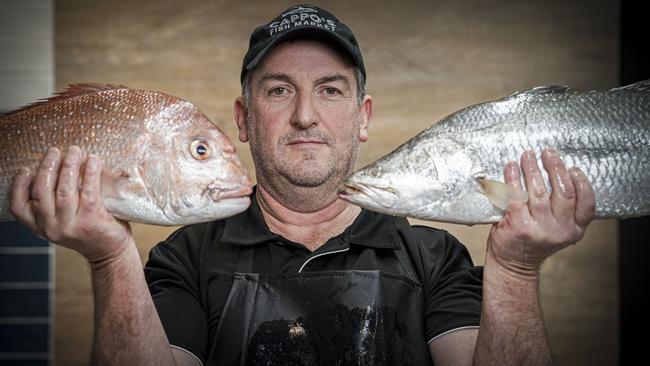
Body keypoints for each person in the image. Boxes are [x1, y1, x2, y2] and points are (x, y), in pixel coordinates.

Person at [9, 4, 596, 366]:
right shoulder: (183, 257)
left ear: (363, 117)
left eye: (331, 90)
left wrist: (516, 272)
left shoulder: (436, 259)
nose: (306, 116)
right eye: (279, 89)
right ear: (243, 119)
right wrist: (111, 257)